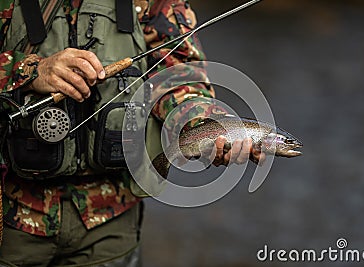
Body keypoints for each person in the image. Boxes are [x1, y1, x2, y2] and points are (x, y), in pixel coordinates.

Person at [0, 0, 264, 266]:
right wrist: (29, 71)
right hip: (9, 220)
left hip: (111, 222)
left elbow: (177, 75)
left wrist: (206, 123)